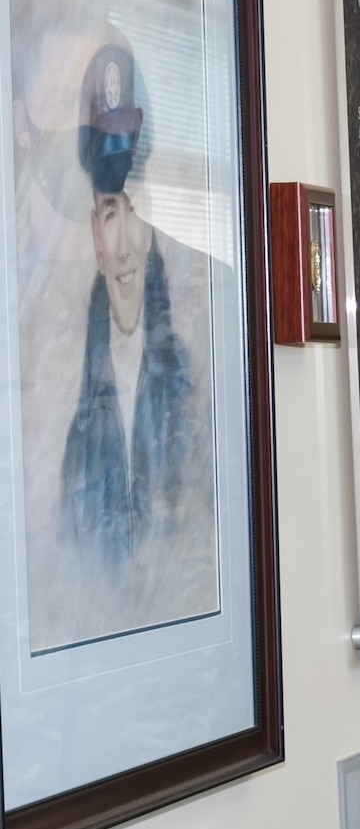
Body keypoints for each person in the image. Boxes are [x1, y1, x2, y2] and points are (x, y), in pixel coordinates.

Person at [59, 40, 203, 569]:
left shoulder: (188, 391)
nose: (122, 247)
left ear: (152, 228)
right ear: (96, 237)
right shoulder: (78, 436)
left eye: (132, 210)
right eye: (109, 213)